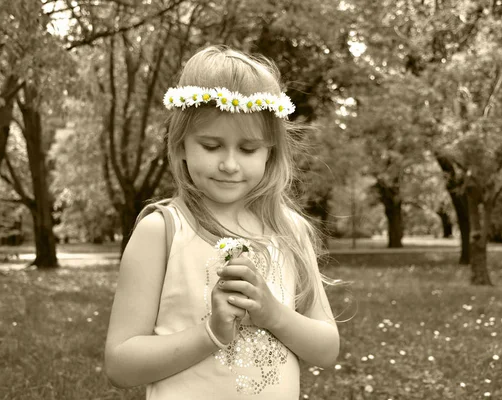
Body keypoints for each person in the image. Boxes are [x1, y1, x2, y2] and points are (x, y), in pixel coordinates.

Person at [104, 45, 340, 399]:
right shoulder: (163, 231)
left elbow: (326, 349)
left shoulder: (289, 231)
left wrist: (273, 314)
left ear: (270, 152)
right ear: (180, 143)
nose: (229, 164)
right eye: (212, 145)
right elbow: (120, 365)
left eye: (248, 149)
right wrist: (211, 333)